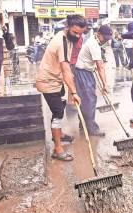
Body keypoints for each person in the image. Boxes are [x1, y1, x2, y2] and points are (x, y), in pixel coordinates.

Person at [35, 14, 87, 162]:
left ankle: (59, 134)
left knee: (61, 105)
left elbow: (67, 68)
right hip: (48, 81)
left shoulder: (68, 38)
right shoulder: (61, 42)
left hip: (56, 79)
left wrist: (70, 88)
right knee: (58, 112)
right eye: (75, 32)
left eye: (80, 33)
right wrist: (74, 92)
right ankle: (57, 149)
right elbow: (65, 69)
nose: (77, 36)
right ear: (68, 27)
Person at [73, 25, 113, 137]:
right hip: (83, 73)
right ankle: (92, 128)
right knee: (90, 100)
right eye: (104, 37)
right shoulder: (94, 45)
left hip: (84, 71)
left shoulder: (93, 40)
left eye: (108, 38)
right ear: (98, 34)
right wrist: (105, 85)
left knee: (84, 100)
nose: (105, 40)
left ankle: (83, 124)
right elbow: (100, 66)